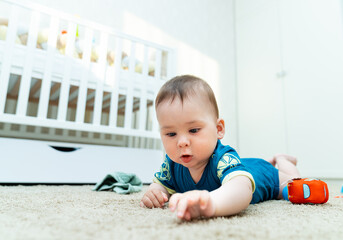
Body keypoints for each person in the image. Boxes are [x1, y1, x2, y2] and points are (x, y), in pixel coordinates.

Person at [140, 75, 300, 221]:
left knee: (295, 183)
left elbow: (242, 191)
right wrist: (154, 192)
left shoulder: (223, 158)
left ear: (218, 129)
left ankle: (281, 159)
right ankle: (266, 160)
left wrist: (211, 203)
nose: (182, 142)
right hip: (243, 165)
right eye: (171, 134)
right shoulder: (171, 164)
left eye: (194, 130)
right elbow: (161, 184)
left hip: (266, 175)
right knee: (240, 166)